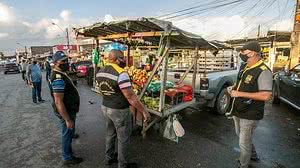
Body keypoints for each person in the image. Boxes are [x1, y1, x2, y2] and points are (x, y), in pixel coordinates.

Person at [95, 49, 150, 168]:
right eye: (122, 58)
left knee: (110, 134)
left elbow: (101, 90)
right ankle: (123, 164)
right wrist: (144, 111)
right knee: (123, 138)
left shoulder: (100, 71)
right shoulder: (121, 73)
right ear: (117, 59)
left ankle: (109, 158)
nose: (124, 60)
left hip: (105, 107)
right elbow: (130, 97)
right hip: (119, 110)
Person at [226, 41, 272, 168]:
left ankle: (243, 163)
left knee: (243, 142)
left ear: (252, 53)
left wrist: (239, 94)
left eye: (243, 53)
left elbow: (266, 95)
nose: (241, 55)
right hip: (238, 109)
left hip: (250, 113)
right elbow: (241, 83)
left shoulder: (264, 71)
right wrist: (233, 88)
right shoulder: (245, 66)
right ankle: (253, 154)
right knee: (241, 136)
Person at [49, 51, 83, 165]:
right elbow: (58, 101)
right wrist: (67, 119)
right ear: (55, 63)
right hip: (66, 111)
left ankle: (68, 152)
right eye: (63, 61)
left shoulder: (61, 73)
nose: (66, 63)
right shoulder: (58, 77)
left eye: (66, 60)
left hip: (69, 109)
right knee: (66, 133)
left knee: (69, 132)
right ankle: (67, 157)